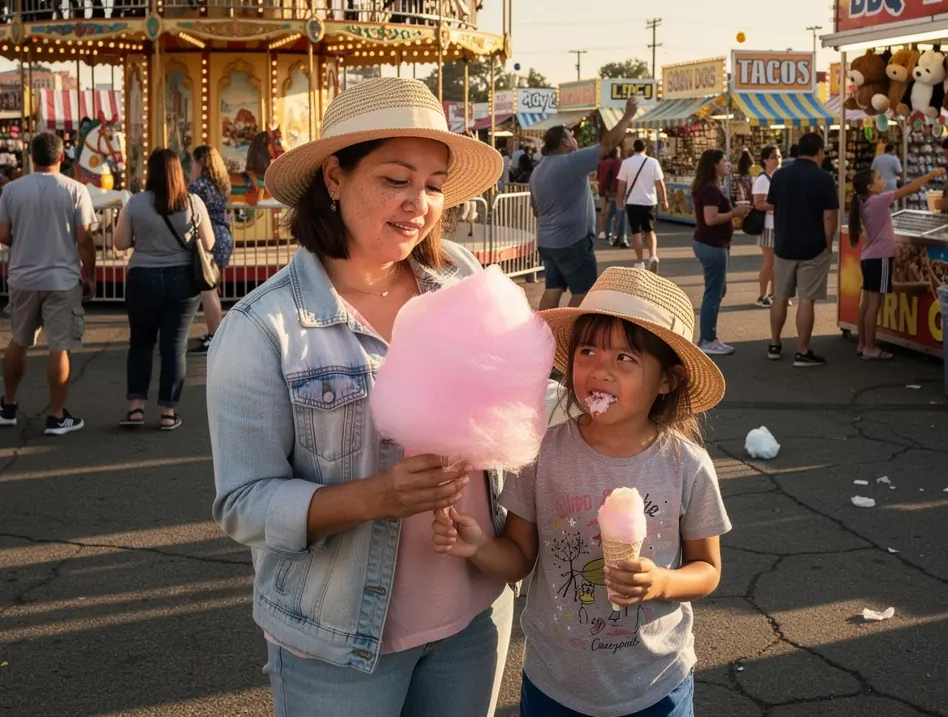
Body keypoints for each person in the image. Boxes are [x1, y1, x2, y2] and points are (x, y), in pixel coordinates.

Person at [207, 78, 514, 716]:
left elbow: (516, 403)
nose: (418, 204)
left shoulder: (459, 277)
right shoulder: (264, 328)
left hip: (472, 613)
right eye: (395, 179)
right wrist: (379, 497)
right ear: (335, 178)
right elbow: (243, 506)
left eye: (433, 185)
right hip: (338, 641)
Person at [432, 267, 731, 717]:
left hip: (655, 685)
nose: (599, 371)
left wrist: (662, 582)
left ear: (666, 381)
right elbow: (519, 556)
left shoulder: (685, 466)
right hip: (556, 683)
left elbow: (707, 569)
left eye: (625, 359)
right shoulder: (541, 453)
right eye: (587, 351)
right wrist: (477, 547)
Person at [0, 132, 96, 436]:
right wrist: (90, 275)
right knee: (59, 345)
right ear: (61, 158)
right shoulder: (76, 190)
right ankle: (56, 415)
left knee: (19, 339)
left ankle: (9, 404)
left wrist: (24, 243)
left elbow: (3, 234)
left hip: (23, 276)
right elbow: (85, 238)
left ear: (32, 156)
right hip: (62, 277)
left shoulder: (12, 190)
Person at [113, 149, 215, 431]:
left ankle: (135, 408)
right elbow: (209, 242)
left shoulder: (135, 204)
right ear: (178, 171)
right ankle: (168, 411)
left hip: (143, 279)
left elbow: (120, 242)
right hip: (182, 281)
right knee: (174, 347)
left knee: (141, 344)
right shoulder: (193, 203)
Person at [531, 99, 639, 310]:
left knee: (553, 289)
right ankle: (566, 332)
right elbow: (607, 144)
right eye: (572, 137)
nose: (575, 140)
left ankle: (542, 332)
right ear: (564, 143)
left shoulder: (538, 171)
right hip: (573, 241)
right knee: (585, 293)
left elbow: (536, 210)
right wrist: (627, 116)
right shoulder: (571, 161)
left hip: (547, 241)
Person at [848, 165, 945, 360]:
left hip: (868, 257)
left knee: (866, 304)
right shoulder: (878, 200)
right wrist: (930, 175)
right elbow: (907, 190)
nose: (883, 181)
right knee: (875, 305)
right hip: (880, 257)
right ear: (870, 186)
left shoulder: (865, 202)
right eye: (878, 179)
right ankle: (870, 347)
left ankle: (862, 344)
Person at [766, 131, 839, 367]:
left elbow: (773, 206)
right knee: (806, 299)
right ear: (819, 153)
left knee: (780, 295)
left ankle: (775, 344)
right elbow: (829, 215)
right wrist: (829, 243)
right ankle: (802, 350)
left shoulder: (780, 175)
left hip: (784, 244)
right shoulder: (824, 178)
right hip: (814, 246)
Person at [691, 149, 751, 355]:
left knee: (718, 289)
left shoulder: (711, 187)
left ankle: (710, 336)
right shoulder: (709, 189)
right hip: (712, 244)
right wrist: (734, 212)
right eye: (724, 161)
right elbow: (710, 219)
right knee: (714, 291)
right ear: (715, 165)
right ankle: (707, 338)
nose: (728, 164)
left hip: (716, 243)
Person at [188, 145, 234, 352]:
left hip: (209, 237)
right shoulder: (220, 184)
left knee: (208, 290)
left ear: (200, 162)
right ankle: (216, 333)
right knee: (212, 287)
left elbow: (188, 208)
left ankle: (214, 335)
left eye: (192, 161)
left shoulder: (199, 185)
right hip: (224, 235)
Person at [617, 138, 669, 273]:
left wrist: (619, 200)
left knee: (636, 232)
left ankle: (640, 261)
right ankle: (653, 256)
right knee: (649, 230)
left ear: (634, 148)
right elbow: (660, 183)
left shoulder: (626, 163)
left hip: (632, 202)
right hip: (649, 201)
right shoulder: (653, 162)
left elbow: (621, 184)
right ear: (646, 148)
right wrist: (664, 199)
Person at [752, 144, 780, 307]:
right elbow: (758, 204)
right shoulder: (762, 179)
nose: (777, 160)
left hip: (779, 225)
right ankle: (762, 294)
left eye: (778, 156)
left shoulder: (779, 176)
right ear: (765, 160)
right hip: (767, 226)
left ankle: (774, 294)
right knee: (769, 262)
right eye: (773, 157)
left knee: (777, 263)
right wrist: (776, 206)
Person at [597, 146, 628, 247]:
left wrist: (603, 191)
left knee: (609, 213)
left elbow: (603, 178)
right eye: (618, 151)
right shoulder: (618, 163)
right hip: (618, 191)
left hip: (610, 191)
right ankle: (620, 237)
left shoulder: (606, 163)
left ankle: (608, 232)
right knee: (620, 214)